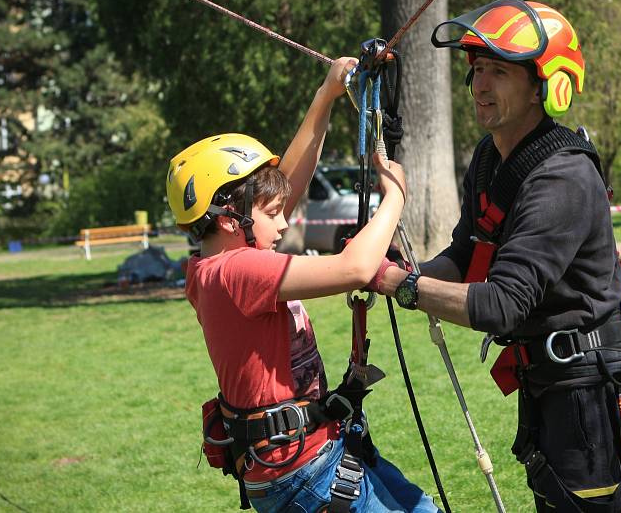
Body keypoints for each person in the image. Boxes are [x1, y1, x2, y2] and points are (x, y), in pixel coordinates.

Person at [374, 0, 621, 513]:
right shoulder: (490, 158)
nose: (481, 85)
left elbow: (502, 304)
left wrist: (402, 287)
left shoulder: (561, 177)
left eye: (498, 72)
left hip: (585, 391)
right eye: (478, 70)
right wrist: (406, 271)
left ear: (545, 86)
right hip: (544, 381)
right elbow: (464, 255)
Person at [165, 57, 440, 513]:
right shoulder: (239, 271)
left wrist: (327, 95)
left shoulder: (211, 266)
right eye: (272, 213)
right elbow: (354, 267)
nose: (285, 218)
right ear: (230, 217)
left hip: (313, 455)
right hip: (302, 471)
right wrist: (397, 195)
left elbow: (287, 183)